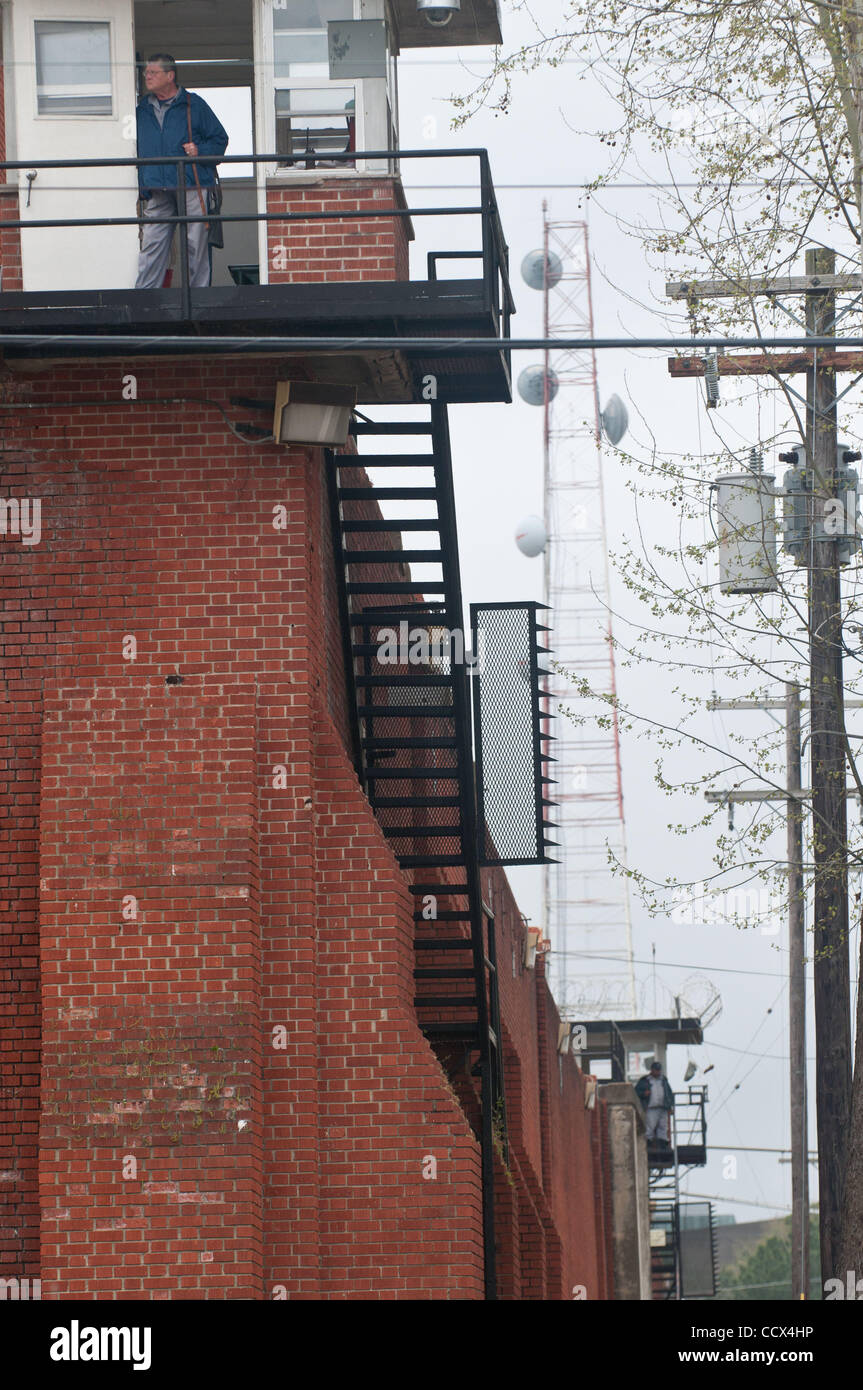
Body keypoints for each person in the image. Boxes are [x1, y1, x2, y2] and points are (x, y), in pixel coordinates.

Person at [135, 54, 228, 289]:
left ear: (170, 76)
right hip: (157, 187)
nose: (147, 76)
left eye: (153, 72)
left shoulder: (194, 104)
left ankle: (198, 300)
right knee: (151, 245)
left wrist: (199, 150)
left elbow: (220, 140)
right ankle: (145, 300)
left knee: (195, 245)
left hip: (192, 184)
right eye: (147, 72)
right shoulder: (141, 109)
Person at [635, 1059, 674, 1146]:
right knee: (650, 1127)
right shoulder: (645, 1080)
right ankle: (648, 1144)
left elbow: (669, 1093)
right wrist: (644, 1094)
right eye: (656, 1070)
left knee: (663, 1127)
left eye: (659, 1070)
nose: (658, 1072)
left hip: (663, 1107)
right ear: (652, 1070)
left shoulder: (664, 1080)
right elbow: (636, 1092)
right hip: (651, 1108)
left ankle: (663, 1145)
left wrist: (670, 1106)